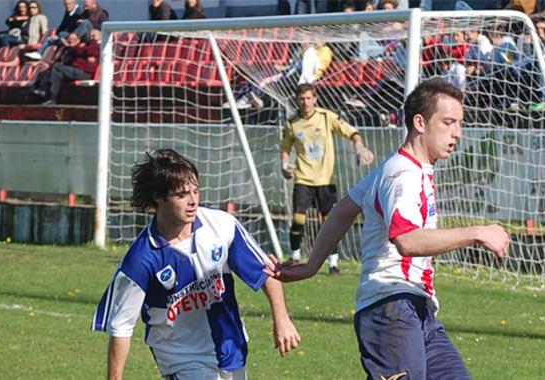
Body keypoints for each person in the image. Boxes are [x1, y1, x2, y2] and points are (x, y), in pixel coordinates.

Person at [269, 78, 510, 379]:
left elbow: (344, 208)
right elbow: (406, 239)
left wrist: (311, 266)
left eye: (459, 123)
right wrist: (478, 232)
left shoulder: (398, 167)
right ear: (420, 122)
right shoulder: (402, 174)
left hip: (418, 310)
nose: (457, 133)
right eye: (448, 122)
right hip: (391, 308)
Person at [92, 149, 300, 379]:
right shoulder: (140, 260)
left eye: (196, 191)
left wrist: (282, 319)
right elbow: (120, 328)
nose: (192, 201)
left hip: (230, 346)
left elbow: (266, 272)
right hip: (181, 358)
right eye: (181, 195)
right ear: (159, 197)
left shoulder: (221, 225)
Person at [280, 83, 375, 274]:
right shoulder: (292, 123)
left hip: (325, 179)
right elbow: (285, 148)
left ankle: (333, 263)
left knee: (330, 222)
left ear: (315, 99)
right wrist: (284, 165)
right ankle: (296, 256)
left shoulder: (326, 117)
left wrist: (359, 147)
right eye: (301, 99)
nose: (305, 102)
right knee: (298, 219)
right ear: (297, 101)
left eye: (308, 98)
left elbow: (352, 132)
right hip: (303, 179)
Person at [32, 30, 99, 104]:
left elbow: (88, 52)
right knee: (57, 74)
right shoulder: (76, 48)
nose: (91, 37)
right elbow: (67, 61)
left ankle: (43, 89)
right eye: (91, 35)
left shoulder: (96, 46)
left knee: (56, 67)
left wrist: (74, 47)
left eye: (93, 35)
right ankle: (52, 99)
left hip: (85, 73)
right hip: (73, 71)